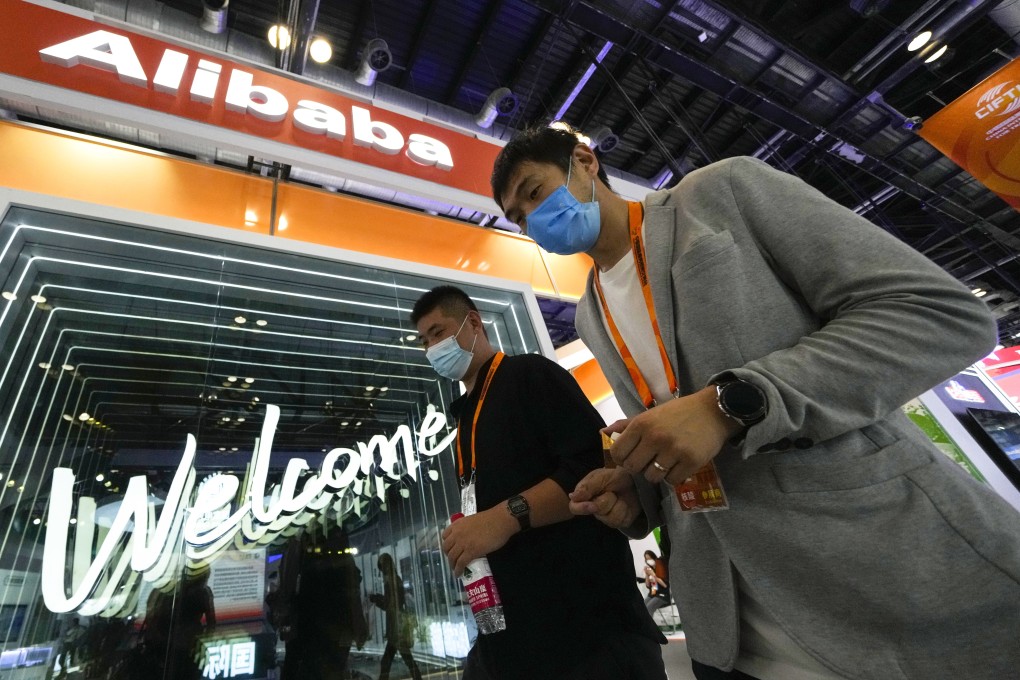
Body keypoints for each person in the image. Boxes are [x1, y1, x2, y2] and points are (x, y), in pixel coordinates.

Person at [490, 124, 1020, 680]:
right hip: (727, 630)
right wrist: (639, 487)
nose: (532, 218)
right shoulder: (588, 315)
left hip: (884, 574)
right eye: (519, 217)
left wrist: (729, 404)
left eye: (533, 191)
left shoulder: (722, 193)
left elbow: (939, 313)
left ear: (583, 161)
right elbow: (679, 431)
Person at [411, 285, 666, 680]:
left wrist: (503, 518)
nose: (432, 348)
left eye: (439, 332)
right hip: (516, 640)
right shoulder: (463, 419)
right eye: (425, 341)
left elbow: (591, 470)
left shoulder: (529, 374)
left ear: (473, 323)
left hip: (589, 632)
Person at [369, 553, 423, 680]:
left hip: (396, 627)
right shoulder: (395, 579)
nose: (382, 570)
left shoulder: (392, 580)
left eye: (382, 566)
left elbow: (390, 604)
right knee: (396, 660)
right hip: (396, 627)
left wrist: (376, 598)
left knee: (393, 661)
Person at [641, 550, 670, 618]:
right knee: (642, 608)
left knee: (649, 608)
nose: (648, 561)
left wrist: (654, 575)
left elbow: (665, 585)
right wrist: (647, 574)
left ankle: (650, 627)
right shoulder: (650, 569)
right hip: (653, 593)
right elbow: (648, 585)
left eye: (650, 558)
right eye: (646, 559)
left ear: (654, 558)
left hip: (663, 594)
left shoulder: (661, 567)